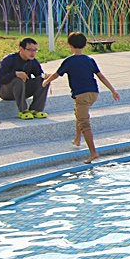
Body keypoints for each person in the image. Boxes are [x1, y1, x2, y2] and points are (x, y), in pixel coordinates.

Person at [42, 32, 120, 164]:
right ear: (85, 45)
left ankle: (93, 153)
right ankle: (77, 139)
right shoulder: (90, 60)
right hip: (93, 93)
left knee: (84, 123)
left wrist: (46, 82)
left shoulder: (69, 61)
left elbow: (56, 74)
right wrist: (113, 90)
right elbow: (101, 76)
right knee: (79, 113)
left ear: (70, 46)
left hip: (81, 94)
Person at [0, 37, 51, 119]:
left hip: (23, 90)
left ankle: (36, 110)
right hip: (6, 91)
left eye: (35, 50)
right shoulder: (9, 59)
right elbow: (0, 80)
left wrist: (46, 77)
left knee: (44, 81)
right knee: (18, 80)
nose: (33, 53)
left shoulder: (33, 61)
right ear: (21, 49)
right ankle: (23, 110)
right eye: (30, 50)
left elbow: (39, 75)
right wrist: (15, 74)